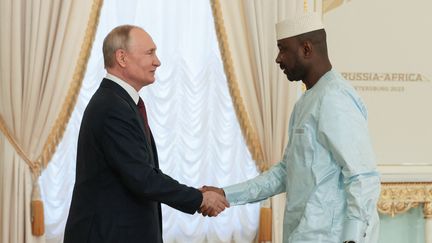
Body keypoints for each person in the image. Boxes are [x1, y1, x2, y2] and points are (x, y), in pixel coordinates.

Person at [201, 12, 381, 243]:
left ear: (306, 49)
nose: (278, 59)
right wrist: (226, 194)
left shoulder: (335, 98)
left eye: (283, 49)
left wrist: (352, 240)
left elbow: (363, 177)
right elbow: (286, 172)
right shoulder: (306, 102)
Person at [64, 25, 228, 243]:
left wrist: (196, 196)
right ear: (122, 58)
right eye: (150, 53)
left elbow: (142, 174)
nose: (157, 61)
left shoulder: (119, 102)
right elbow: (143, 178)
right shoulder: (113, 107)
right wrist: (198, 199)